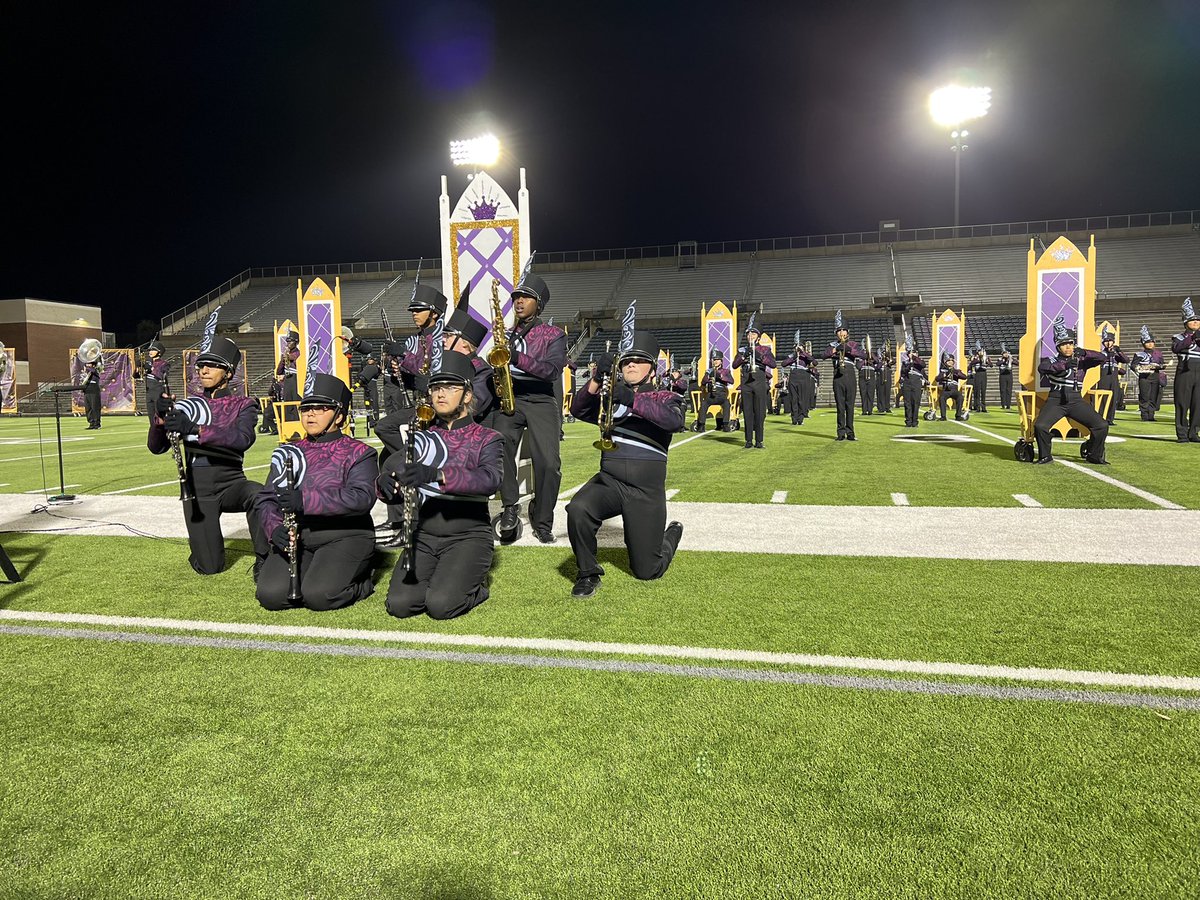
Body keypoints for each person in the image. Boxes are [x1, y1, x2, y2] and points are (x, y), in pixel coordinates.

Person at [378, 352, 503, 620]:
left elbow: (490, 480)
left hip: (468, 535)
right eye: (435, 388)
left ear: (467, 395)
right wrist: (384, 483)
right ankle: (446, 578)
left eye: (449, 387)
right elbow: (393, 472)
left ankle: (477, 588)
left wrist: (438, 474)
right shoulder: (422, 439)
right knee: (400, 605)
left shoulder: (487, 438)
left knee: (441, 606)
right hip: (423, 535)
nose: (440, 394)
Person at [566, 331, 685, 598]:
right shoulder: (610, 399)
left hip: (645, 491)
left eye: (638, 360)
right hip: (610, 481)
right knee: (578, 508)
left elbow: (673, 421)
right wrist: (597, 379)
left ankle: (672, 534)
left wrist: (631, 399)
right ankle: (587, 573)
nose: (630, 364)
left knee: (648, 571)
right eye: (626, 361)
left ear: (652, 369)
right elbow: (578, 410)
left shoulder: (666, 397)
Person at [254, 374, 378, 611]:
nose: (310, 414)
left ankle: (363, 581)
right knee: (271, 595)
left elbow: (362, 498)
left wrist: (305, 500)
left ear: (339, 415)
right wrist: (275, 529)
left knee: (319, 597)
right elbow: (267, 497)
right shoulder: (289, 451)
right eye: (306, 408)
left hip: (345, 534)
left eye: (320, 408)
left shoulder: (360, 452)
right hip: (300, 535)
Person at [149, 335, 269, 575]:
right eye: (201, 365)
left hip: (231, 483)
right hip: (197, 490)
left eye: (212, 366)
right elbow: (156, 447)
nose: (204, 370)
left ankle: (266, 561)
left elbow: (242, 439)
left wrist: (195, 429)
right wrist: (160, 420)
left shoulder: (243, 405)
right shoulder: (187, 405)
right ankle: (203, 545)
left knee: (258, 494)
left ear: (228, 373)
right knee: (210, 567)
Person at [491, 270, 567, 544]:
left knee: (549, 463)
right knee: (497, 446)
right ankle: (510, 506)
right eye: (516, 297)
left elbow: (552, 370)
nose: (519, 301)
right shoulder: (506, 334)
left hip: (541, 400)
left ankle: (542, 519)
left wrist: (516, 358)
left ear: (539, 304)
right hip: (512, 398)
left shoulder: (553, 334)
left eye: (526, 297)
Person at [374, 282, 448, 543]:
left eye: (419, 310)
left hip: (439, 407)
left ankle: (414, 461)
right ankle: (396, 518)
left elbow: (434, 370)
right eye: (413, 310)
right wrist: (398, 369)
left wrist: (404, 356)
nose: (414, 314)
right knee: (385, 447)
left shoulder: (443, 337)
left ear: (434, 312)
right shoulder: (413, 339)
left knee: (392, 452)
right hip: (419, 404)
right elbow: (411, 376)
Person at [1034, 319, 1109, 464]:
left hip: (1076, 401)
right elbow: (1043, 368)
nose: (1068, 347)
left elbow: (1102, 358)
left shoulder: (1081, 359)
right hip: (1055, 401)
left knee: (1101, 425)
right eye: (1064, 344)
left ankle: (1094, 455)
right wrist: (1065, 365)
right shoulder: (1050, 360)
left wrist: (1085, 352)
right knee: (1040, 426)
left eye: (1070, 343)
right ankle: (1045, 456)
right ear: (1058, 346)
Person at [442, 285, 498, 422]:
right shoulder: (448, 366)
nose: (443, 340)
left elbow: (474, 405)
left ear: (464, 343)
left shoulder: (483, 371)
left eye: (448, 336)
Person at [821, 310, 865, 441]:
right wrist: (835, 349)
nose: (841, 333)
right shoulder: (832, 345)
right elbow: (823, 355)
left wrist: (849, 349)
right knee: (840, 406)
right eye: (839, 331)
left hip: (850, 374)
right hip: (838, 375)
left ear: (847, 332)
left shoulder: (853, 344)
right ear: (836, 333)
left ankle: (850, 433)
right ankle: (840, 433)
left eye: (843, 330)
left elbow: (863, 355)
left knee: (850, 405)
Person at [732, 325, 775, 449]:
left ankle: (759, 440)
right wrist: (743, 357)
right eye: (748, 334)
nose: (750, 336)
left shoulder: (765, 349)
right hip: (746, 382)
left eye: (753, 334)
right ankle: (748, 440)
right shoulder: (742, 350)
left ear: (758, 337)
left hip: (759, 381)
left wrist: (758, 356)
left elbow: (773, 364)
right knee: (747, 412)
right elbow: (734, 365)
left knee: (760, 412)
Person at [1171, 297, 1200, 443]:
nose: (1196, 322)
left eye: (1198, 320)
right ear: (1185, 322)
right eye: (1192, 320)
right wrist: (1192, 337)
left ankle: (1194, 432)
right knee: (1182, 403)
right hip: (1184, 373)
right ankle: (1182, 433)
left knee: (1198, 404)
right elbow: (1176, 348)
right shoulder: (1178, 337)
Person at [1133, 326, 1166, 422]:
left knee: (1153, 396)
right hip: (1144, 377)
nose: (1151, 344)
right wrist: (1139, 368)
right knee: (1144, 396)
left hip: (1155, 376)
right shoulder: (1139, 354)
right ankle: (1144, 415)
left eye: (1152, 342)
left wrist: (1160, 366)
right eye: (1148, 342)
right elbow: (1133, 365)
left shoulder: (1158, 354)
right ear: (1143, 343)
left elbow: (1162, 364)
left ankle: (1151, 415)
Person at [1095, 328, 1128, 425]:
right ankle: (1101, 418)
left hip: (1113, 378)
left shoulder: (1115, 355)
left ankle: (1110, 419)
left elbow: (1126, 360)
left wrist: (1119, 351)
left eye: (1110, 341)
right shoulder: (1101, 354)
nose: (1108, 343)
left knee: (1113, 398)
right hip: (1104, 377)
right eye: (1106, 341)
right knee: (1103, 398)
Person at [697, 350, 732, 432]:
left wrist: (722, 377)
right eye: (714, 359)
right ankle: (701, 425)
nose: (716, 361)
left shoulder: (726, 371)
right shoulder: (709, 371)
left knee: (727, 403)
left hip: (721, 394)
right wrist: (708, 378)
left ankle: (725, 424)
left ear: (721, 361)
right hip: (711, 394)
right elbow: (703, 382)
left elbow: (731, 381)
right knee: (704, 404)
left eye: (717, 359)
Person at [780, 343, 813, 425]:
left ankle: (800, 418)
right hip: (793, 376)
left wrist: (803, 353)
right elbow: (783, 364)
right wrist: (794, 357)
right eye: (796, 347)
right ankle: (794, 418)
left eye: (800, 347)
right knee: (793, 399)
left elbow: (815, 362)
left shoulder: (806, 356)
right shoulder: (791, 356)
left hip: (803, 376)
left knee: (802, 399)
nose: (798, 348)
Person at [899, 342, 927, 428]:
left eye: (914, 352)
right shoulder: (905, 363)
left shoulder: (919, 362)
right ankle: (908, 421)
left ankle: (915, 422)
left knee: (916, 403)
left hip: (916, 383)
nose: (912, 354)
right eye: (910, 353)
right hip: (907, 383)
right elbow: (903, 372)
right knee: (907, 403)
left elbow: (923, 365)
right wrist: (908, 366)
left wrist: (914, 358)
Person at [936, 353, 968, 421]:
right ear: (945, 362)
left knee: (960, 397)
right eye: (948, 360)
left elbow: (964, 377)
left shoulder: (957, 371)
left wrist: (957, 373)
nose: (950, 362)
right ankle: (943, 416)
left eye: (951, 361)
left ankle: (958, 415)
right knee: (942, 398)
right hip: (946, 389)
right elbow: (937, 379)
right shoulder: (943, 371)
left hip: (954, 389)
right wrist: (944, 375)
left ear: (953, 362)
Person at [81, 358, 102, 429]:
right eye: (87, 364)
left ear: (93, 365)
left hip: (94, 392)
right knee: (88, 408)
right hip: (87, 391)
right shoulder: (86, 373)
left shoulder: (95, 371)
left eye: (89, 364)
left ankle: (97, 424)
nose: (87, 365)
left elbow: (93, 370)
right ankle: (91, 423)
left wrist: (87, 368)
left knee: (95, 408)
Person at [968, 343, 990, 412]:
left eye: (981, 351)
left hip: (984, 374)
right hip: (977, 374)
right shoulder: (975, 358)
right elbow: (972, 363)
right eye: (979, 351)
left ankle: (983, 407)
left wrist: (986, 361)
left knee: (983, 391)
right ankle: (977, 407)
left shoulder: (985, 357)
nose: (981, 352)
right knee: (977, 391)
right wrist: (978, 359)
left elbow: (991, 365)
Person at [996, 344, 1015, 410]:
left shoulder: (1010, 359)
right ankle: (1003, 404)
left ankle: (1008, 405)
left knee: (1009, 390)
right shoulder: (1000, 359)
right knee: (1003, 390)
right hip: (1002, 376)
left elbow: (1017, 363)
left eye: (1006, 353)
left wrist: (1011, 359)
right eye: (1004, 353)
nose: (1006, 354)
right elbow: (997, 364)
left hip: (1009, 375)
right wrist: (1004, 360)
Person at [857, 349, 875, 416]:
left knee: (871, 394)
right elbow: (858, 366)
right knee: (863, 393)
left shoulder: (872, 356)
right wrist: (864, 360)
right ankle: (864, 410)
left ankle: (870, 410)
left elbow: (877, 362)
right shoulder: (860, 357)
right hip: (862, 375)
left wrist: (871, 355)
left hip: (871, 375)